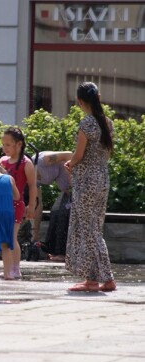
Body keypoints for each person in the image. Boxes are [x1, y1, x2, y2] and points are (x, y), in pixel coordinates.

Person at [65, 82, 116, 292]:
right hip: (102, 179)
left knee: (88, 230)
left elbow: (78, 155)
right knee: (94, 227)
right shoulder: (107, 123)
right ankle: (92, 279)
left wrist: (70, 164)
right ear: (99, 97)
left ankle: (105, 278)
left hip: (86, 181)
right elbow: (106, 153)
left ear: (80, 102)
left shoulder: (86, 124)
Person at [0, 127, 37, 279]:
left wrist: (31, 206)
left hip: (16, 205)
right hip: (2, 204)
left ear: (19, 144)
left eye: (8, 144)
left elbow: (33, 186)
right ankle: (8, 268)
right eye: (3, 144)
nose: (4, 148)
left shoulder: (26, 164)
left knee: (11, 237)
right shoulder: (2, 161)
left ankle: (16, 268)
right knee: (3, 238)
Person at [32, 151, 73, 261]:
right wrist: (35, 235)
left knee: (64, 213)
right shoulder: (32, 180)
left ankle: (64, 254)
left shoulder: (42, 160)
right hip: (65, 189)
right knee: (55, 212)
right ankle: (55, 251)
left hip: (76, 184)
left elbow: (69, 154)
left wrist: (73, 178)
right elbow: (38, 204)